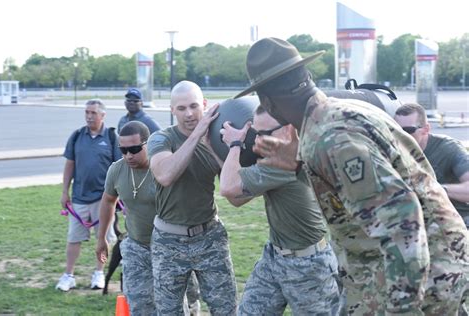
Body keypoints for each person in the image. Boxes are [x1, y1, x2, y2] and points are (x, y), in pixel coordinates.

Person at [236, 37, 469, 315]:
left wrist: (401, 311)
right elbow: (355, 193)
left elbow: (403, 225)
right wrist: (299, 166)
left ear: (268, 103)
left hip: (425, 278)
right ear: (307, 77)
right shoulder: (341, 115)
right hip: (383, 272)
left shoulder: (332, 140)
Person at [219, 105, 342, 315]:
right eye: (255, 134)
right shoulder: (278, 160)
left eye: (264, 134)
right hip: (275, 256)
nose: (257, 141)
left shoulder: (285, 163)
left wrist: (235, 144)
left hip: (308, 267)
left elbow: (229, 187)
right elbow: (236, 199)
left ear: (288, 130)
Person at [148, 80, 237, 315]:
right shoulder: (160, 139)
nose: (189, 114)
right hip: (169, 241)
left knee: (226, 308)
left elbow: (235, 193)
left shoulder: (214, 142)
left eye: (194, 106)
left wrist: (220, 146)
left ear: (204, 105)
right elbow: (165, 175)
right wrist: (197, 134)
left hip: (209, 237)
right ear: (172, 110)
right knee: (169, 311)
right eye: (181, 108)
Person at [57, 98, 121, 292]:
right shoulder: (77, 136)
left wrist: (119, 195)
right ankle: (69, 275)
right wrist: (64, 191)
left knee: (104, 239)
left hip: (104, 200)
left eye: (93, 113)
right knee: (73, 238)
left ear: (103, 115)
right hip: (79, 199)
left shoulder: (111, 138)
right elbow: (70, 164)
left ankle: (99, 273)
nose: (89, 116)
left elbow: (119, 167)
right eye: (87, 112)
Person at [96, 121, 156, 314]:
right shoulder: (117, 169)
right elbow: (107, 201)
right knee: (137, 303)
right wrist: (101, 238)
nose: (128, 155)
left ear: (148, 144)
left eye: (135, 149)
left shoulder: (162, 166)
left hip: (168, 245)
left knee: (178, 304)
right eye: (123, 150)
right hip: (136, 245)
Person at [394, 102, 469, 227]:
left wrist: (432, 189)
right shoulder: (392, 150)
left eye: (408, 130)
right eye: (396, 130)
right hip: (412, 222)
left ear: (426, 129)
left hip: (453, 222)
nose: (401, 136)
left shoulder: (448, 148)